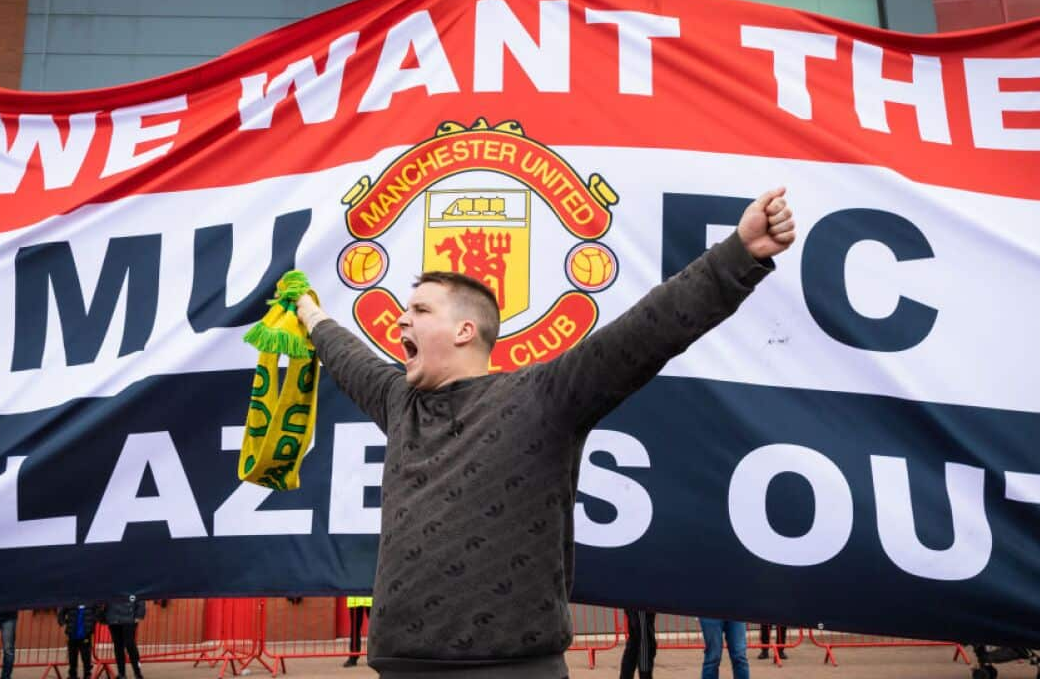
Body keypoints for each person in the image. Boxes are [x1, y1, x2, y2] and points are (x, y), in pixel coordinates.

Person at [294, 187, 795, 678]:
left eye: (421, 310)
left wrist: (740, 254)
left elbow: (647, 330)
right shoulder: (399, 402)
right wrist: (309, 312)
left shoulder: (542, 396)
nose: (402, 318)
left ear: (465, 331)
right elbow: (347, 356)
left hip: (513, 669)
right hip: (400, 667)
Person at [104, 596, 146, 679]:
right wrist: (103, 616)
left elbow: (140, 597)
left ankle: (137, 672)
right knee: (118, 647)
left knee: (130, 646)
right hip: (114, 618)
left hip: (128, 619)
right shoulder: (109, 584)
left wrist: (139, 615)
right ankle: (121, 673)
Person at [57, 604, 102, 679]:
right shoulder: (71, 600)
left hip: (86, 633)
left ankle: (87, 674)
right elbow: (62, 611)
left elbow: (98, 612)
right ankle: (72, 674)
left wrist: (92, 623)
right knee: (72, 655)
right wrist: (62, 622)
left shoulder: (91, 601)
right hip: (72, 633)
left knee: (86, 655)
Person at [619, 610, 657, 679]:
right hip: (641, 605)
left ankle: (625, 676)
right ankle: (645, 676)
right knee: (645, 641)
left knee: (635, 642)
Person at [343, 596, 372, 667]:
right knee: (355, 628)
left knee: (375, 628)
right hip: (355, 599)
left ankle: (375, 655)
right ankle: (353, 656)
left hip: (371, 597)